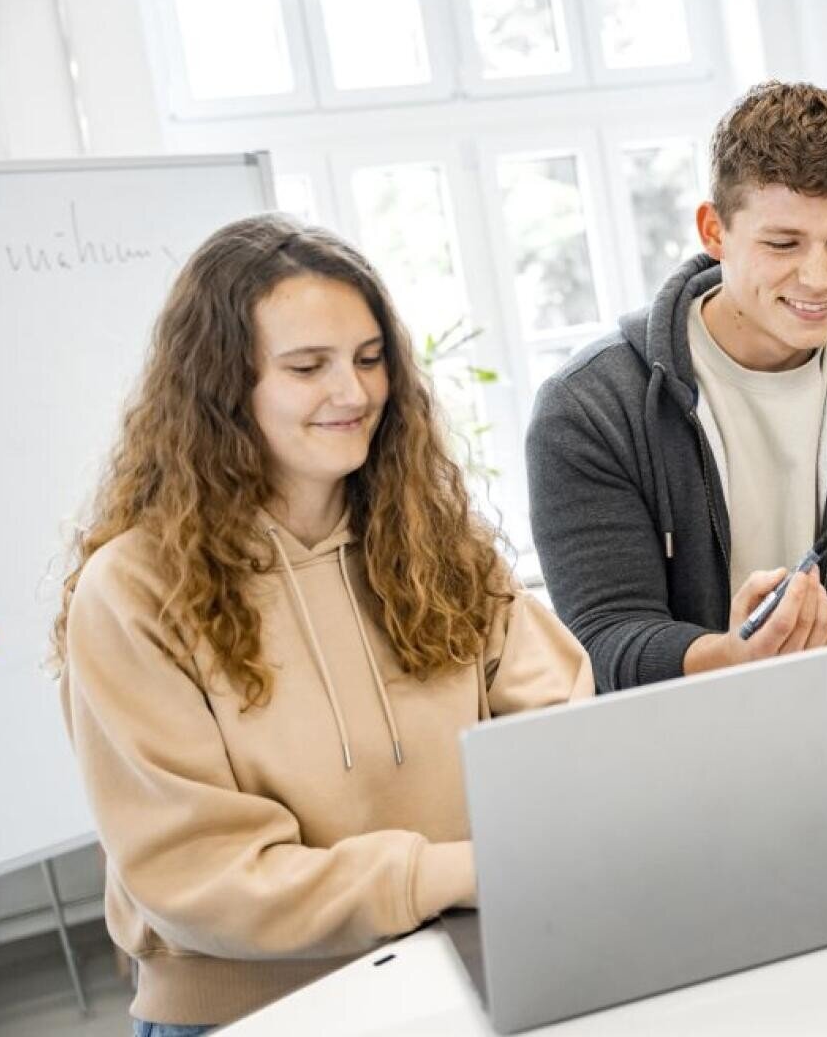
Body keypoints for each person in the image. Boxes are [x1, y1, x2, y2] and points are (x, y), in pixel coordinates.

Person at [55, 214, 593, 1035]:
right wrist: (451, 872)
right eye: (308, 367)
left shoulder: (437, 543)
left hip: (464, 969)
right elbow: (202, 877)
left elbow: (560, 728)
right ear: (221, 387)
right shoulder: (131, 591)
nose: (353, 394)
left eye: (370, 360)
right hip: (251, 1012)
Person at [527, 80, 827, 691]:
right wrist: (730, 658)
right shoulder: (587, 410)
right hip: (681, 756)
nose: (820, 278)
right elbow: (601, 642)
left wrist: (812, 671)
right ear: (714, 231)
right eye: (782, 244)